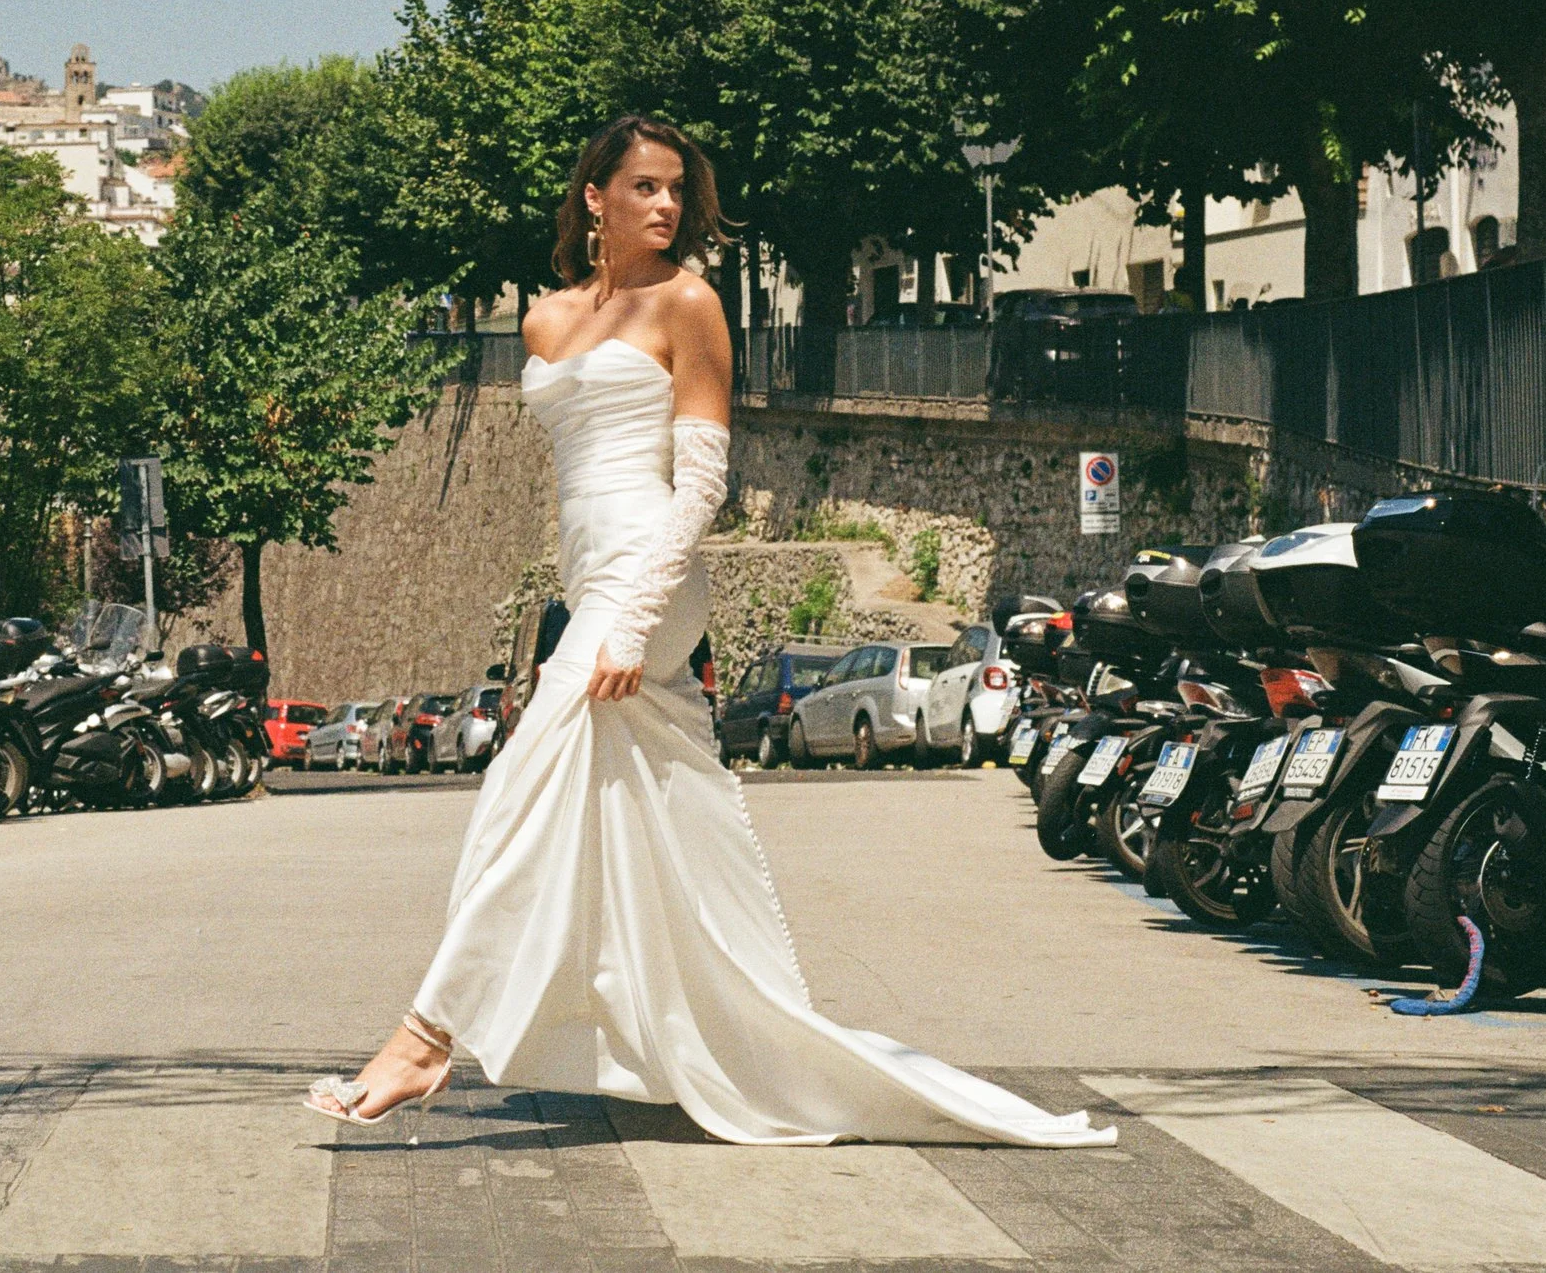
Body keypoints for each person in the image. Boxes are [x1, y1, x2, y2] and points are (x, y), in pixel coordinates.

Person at [304, 117, 1114, 1148]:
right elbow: (571, 475)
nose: (666, 206)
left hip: (652, 566)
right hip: (588, 565)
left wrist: (637, 618)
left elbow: (701, 483)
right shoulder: (547, 321)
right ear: (592, 196)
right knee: (608, 812)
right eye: (643, 186)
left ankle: (424, 1040)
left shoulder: (690, 301)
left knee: (519, 788)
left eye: (677, 189)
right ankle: (714, 1031)